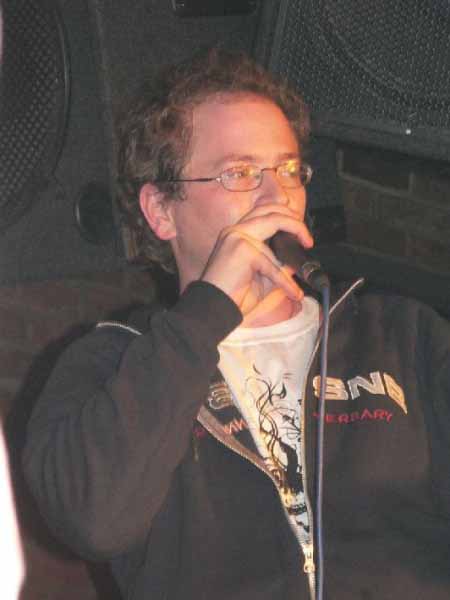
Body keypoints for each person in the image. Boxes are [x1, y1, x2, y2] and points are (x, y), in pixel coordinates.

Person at [23, 48, 450, 600]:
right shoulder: (111, 362)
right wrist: (206, 314)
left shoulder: (403, 335)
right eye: (240, 173)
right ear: (162, 210)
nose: (278, 196)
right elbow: (94, 519)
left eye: (289, 170)